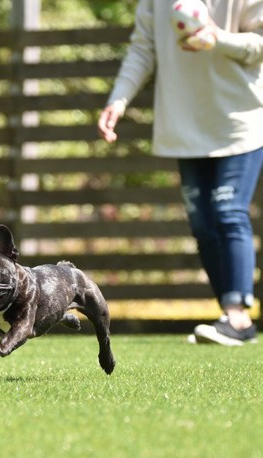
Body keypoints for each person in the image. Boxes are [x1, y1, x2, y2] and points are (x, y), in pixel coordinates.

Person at [98, 0, 263, 345]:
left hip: (240, 124)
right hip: (184, 128)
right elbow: (143, 48)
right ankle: (234, 322)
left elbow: (259, 44)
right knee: (203, 223)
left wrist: (218, 38)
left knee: (228, 212)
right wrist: (119, 99)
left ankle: (236, 315)